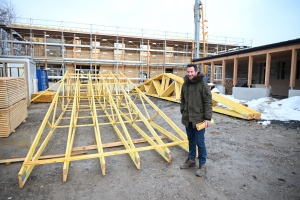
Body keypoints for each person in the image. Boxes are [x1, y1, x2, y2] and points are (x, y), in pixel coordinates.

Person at [180, 64, 212, 177]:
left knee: (200, 142)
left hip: (199, 119)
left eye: (191, 72)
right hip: (187, 118)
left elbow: (208, 101)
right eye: (188, 72)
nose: (189, 74)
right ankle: (191, 159)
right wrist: (182, 110)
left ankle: (202, 164)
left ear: (196, 72)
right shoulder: (185, 84)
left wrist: (207, 118)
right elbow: (182, 99)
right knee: (191, 139)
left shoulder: (203, 84)